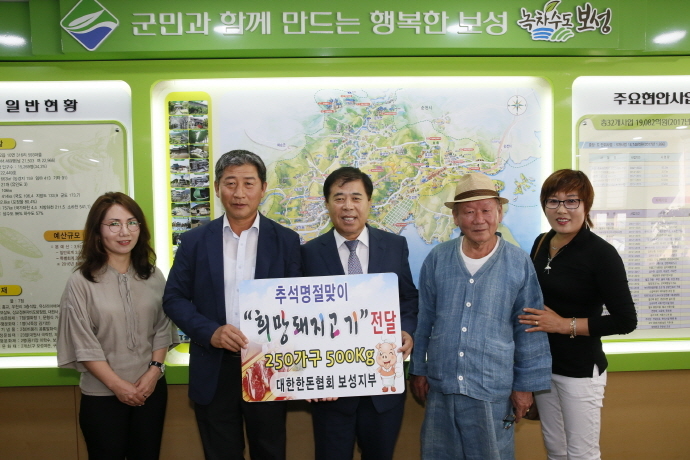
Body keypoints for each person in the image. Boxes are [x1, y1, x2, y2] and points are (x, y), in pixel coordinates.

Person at [163, 150, 302, 460]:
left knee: (269, 451)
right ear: (216, 187)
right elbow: (173, 297)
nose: (239, 193)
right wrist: (210, 332)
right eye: (230, 183)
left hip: (268, 365)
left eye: (248, 183)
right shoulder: (194, 241)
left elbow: (298, 303)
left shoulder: (286, 241)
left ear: (263, 188)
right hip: (214, 366)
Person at [409, 172, 551, 460]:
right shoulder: (438, 258)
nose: (479, 219)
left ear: (499, 213)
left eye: (486, 210)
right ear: (455, 218)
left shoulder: (519, 262)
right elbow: (425, 319)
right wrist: (418, 369)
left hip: (492, 387)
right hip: (442, 384)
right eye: (469, 212)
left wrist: (524, 387)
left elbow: (528, 328)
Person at [301, 166, 418, 460]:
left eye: (356, 197)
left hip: (383, 389)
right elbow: (300, 319)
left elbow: (408, 298)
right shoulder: (309, 253)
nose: (348, 206)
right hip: (331, 391)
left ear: (369, 202)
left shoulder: (395, 246)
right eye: (339, 198)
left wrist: (407, 330)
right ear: (327, 204)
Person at [518, 169, 637, 460]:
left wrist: (563, 325)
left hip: (580, 371)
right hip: (544, 366)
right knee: (556, 450)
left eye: (571, 201)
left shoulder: (602, 254)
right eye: (553, 201)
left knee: (582, 454)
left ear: (586, 205)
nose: (561, 210)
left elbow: (625, 320)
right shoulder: (541, 242)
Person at [57, 192, 178, 460]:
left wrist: (154, 372)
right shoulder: (81, 282)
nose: (124, 231)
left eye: (132, 222)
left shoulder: (153, 275)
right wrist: (118, 386)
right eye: (114, 224)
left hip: (150, 391)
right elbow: (83, 342)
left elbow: (162, 328)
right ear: (97, 231)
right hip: (102, 395)